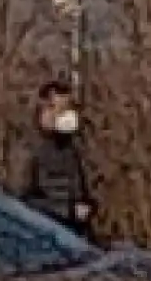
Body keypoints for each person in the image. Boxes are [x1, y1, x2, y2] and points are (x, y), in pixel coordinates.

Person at [13, 77, 97, 240]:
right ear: (46, 111)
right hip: (46, 238)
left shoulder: (72, 148)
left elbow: (82, 191)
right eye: (62, 111)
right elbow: (21, 202)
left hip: (76, 236)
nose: (67, 116)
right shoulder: (29, 151)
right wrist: (67, 211)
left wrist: (89, 206)